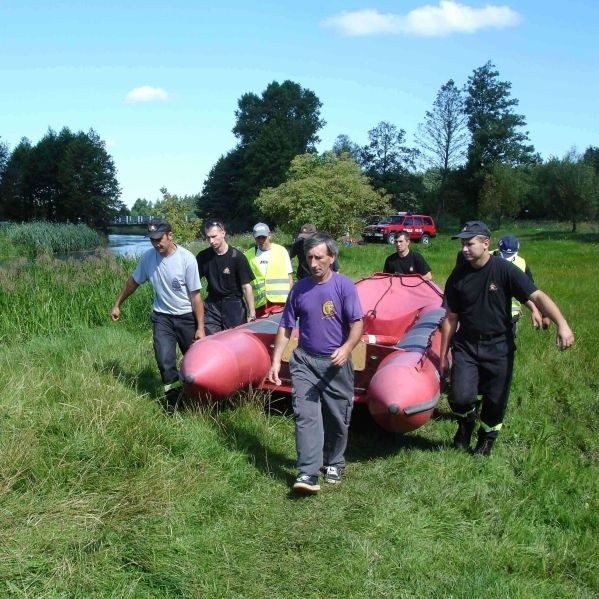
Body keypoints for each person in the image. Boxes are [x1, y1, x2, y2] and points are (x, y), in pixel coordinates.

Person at [440, 220, 574, 456]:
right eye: (462, 244)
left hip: (499, 346)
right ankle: (466, 423)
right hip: (467, 345)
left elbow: (537, 295)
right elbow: (451, 317)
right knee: (460, 397)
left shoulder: (504, 270)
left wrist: (561, 324)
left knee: (494, 401)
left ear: (485, 243)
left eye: (469, 243)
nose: (464, 249)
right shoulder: (457, 275)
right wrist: (443, 356)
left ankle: (486, 439)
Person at [268, 233, 364, 493]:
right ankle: (308, 473)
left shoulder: (344, 286)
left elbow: (357, 323)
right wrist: (276, 360)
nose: (313, 262)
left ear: (331, 258)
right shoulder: (299, 289)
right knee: (305, 416)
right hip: (305, 362)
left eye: (318, 257)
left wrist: (346, 349)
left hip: (336, 364)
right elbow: (286, 327)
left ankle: (334, 461)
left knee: (337, 416)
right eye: (309, 257)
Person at [111, 217, 205, 410]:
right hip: (162, 318)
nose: (156, 243)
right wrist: (117, 304)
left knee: (195, 362)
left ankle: (202, 400)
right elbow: (133, 282)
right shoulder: (148, 258)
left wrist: (200, 327)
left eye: (159, 239)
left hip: (186, 317)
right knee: (164, 361)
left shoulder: (187, 259)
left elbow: (196, 297)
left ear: (170, 236)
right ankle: (176, 405)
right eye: (152, 239)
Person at [196, 219, 256, 335]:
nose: (211, 241)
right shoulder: (203, 257)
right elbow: (193, 284)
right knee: (212, 341)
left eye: (214, 236)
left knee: (235, 340)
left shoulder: (237, 257)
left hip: (234, 304)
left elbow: (246, 287)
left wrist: (252, 313)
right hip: (212, 305)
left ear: (223, 233)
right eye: (208, 238)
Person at [494, 235, 551, 330]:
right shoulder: (485, 258)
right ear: (499, 249)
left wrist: (542, 313)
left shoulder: (521, 264)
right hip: (486, 315)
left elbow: (532, 292)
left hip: (510, 317)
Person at [244, 222, 294, 317]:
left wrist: (291, 301)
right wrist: (251, 310)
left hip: (281, 303)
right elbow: (246, 285)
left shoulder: (281, 251)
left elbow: (289, 278)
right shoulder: (248, 255)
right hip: (260, 305)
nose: (261, 240)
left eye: (264, 237)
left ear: (269, 235)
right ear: (254, 237)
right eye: (258, 237)